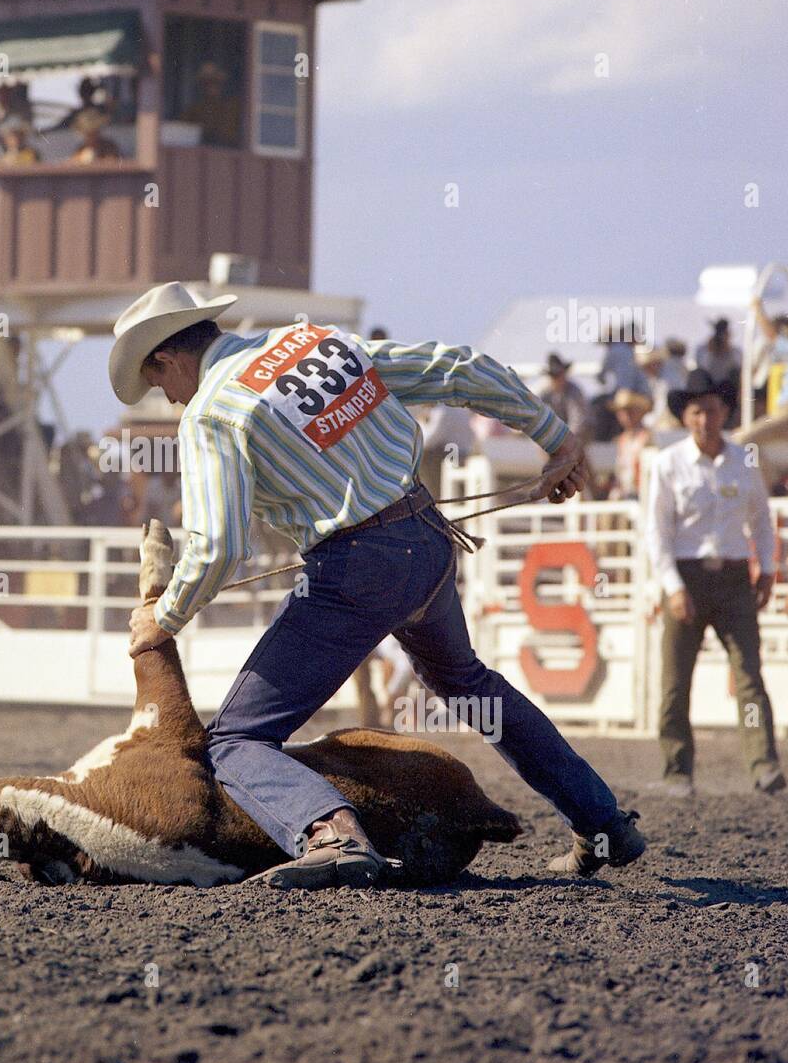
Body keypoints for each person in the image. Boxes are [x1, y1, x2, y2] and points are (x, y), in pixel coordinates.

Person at [114, 281, 645, 888]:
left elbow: (219, 545)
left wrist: (167, 615)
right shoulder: (312, 342)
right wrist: (555, 437)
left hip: (354, 569)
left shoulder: (213, 410)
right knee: (470, 685)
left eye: (161, 386)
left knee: (236, 740)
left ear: (166, 358)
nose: (173, 401)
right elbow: (459, 369)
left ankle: (331, 835)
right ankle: (602, 820)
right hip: (426, 539)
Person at [648, 370, 784, 796]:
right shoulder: (668, 464)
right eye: (696, 411)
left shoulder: (744, 460)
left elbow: (761, 519)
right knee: (676, 680)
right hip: (687, 575)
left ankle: (763, 765)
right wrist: (672, 585)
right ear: (686, 418)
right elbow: (656, 532)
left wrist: (766, 566)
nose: (705, 419)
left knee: (749, 675)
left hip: (734, 576)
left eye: (711, 409)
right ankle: (677, 770)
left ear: (723, 411)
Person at [735, 299, 788, 488]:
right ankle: (768, 483)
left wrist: (758, 310)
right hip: (785, 414)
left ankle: (760, 489)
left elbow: (772, 338)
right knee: (750, 443)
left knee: (741, 440)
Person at [180, 61, 241, 147]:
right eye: (206, 83)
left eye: (214, 82)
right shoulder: (194, 109)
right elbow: (182, 131)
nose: (210, 86)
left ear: (221, 83)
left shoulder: (232, 106)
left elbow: (232, 134)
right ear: (201, 86)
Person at [609, 388, 653, 499]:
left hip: (641, 494)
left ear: (640, 412)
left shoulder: (648, 437)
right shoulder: (621, 440)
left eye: (630, 410)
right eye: (621, 411)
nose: (625, 415)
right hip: (623, 493)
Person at [538, 353, 591, 441]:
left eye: (559, 374)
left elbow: (578, 420)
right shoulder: (544, 393)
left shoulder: (574, 391)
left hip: (575, 435)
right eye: (554, 376)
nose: (557, 379)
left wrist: (564, 438)